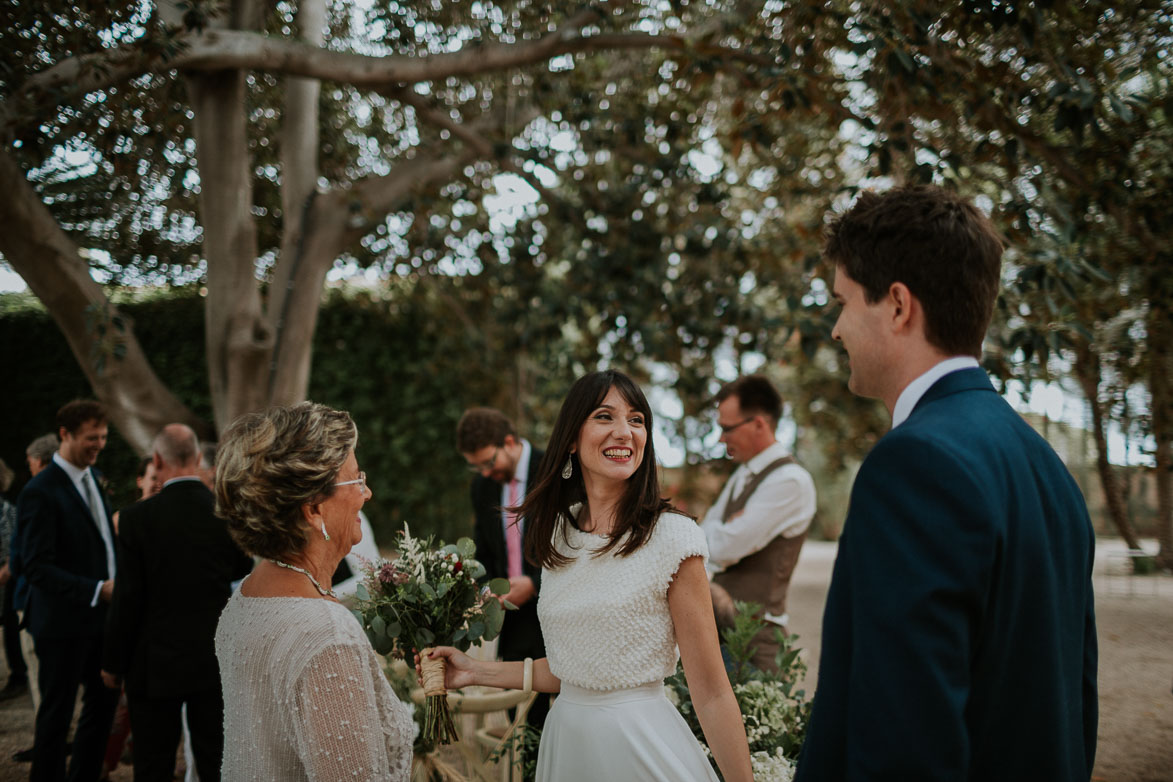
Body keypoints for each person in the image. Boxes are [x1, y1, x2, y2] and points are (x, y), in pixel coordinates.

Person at [796, 185, 1098, 780]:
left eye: (843, 302)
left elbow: (904, 736)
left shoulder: (914, 466)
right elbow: (1075, 706)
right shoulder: (1047, 468)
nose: (836, 330)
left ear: (899, 305)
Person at [427, 370, 753, 782]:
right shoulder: (558, 536)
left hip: (639, 746)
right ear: (570, 439)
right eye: (605, 416)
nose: (625, 432)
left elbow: (713, 692)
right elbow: (573, 670)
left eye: (636, 420)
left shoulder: (673, 539)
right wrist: (473, 671)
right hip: (566, 746)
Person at [213, 402, 413, 780]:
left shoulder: (245, 600)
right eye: (356, 480)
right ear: (314, 510)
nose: (366, 492)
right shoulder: (326, 635)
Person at [101, 424, 254, 781]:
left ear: (157, 459)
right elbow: (241, 566)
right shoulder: (225, 515)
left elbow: (127, 597)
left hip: (153, 662)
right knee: (216, 759)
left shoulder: (136, 519)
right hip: (211, 658)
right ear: (199, 457)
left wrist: (113, 661)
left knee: (153, 763)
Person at [19, 400, 121, 782]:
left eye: (104, 437)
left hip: (102, 622)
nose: (99, 445)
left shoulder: (93, 478)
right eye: (91, 438)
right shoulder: (40, 491)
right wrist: (97, 589)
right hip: (62, 626)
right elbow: (36, 567)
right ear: (65, 435)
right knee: (56, 718)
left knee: (102, 708)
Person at [699, 375, 816, 672]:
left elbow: (721, 548)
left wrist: (715, 532)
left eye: (727, 428)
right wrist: (717, 530)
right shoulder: (743, 475)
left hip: (757, 646)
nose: (720, 438)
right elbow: (704, 534)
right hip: (719, 633)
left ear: (759, 424)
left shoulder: (790, 481)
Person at [455, 407, 549, 728]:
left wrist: (535, 584)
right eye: (476, 465)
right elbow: (483, 552)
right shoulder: (482, 488)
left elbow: (577, 545)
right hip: (513, 621)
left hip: (557, 609)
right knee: (522, 723)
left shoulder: (553, 469)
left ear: (509, 442)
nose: (483, 471)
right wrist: (481, 591)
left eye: (488, 462)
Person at [8, 434, 58, 763]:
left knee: (39, 673)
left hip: (34, 597)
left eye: (29, 462)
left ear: (39, 461)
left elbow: (20, 554)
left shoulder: (36, 494)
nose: (28, 468)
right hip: (61, 598)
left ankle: (47, 742)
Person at [0, 458, 30, 702]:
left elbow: (16, 545)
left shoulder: (9, 510)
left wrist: (8, 567)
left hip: (5, 578)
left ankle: (18, 675)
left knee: (11, 625)